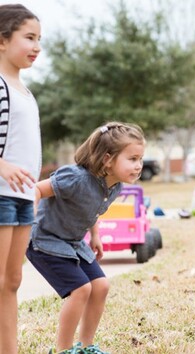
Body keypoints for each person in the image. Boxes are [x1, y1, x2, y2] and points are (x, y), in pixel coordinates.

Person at [26, 122, 145, 354]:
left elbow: (90, 210)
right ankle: (63, 350)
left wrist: (96, 235)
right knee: (81, 289)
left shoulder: (114, 186)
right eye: (132, 159)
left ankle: (86, 346)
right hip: (45, 240)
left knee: (100, 286)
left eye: (140, 159)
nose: (139, 166)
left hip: (73, 242)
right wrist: (28, 217)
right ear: (107, 159)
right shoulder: (76, 178)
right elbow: (37, 189)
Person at [0, 5, 41, 353]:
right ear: (2, 40)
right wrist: (2, 165)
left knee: (12, 281)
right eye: (29, 37)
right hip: (0, 194)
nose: (37, 46)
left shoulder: (25, 91)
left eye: (39, 39)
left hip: (23, 197)